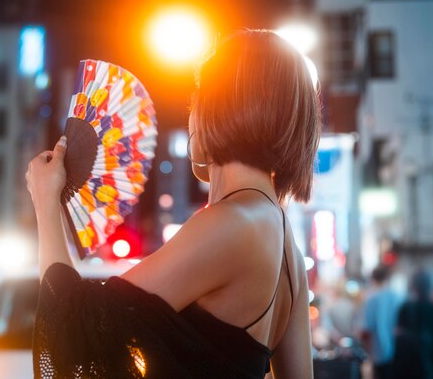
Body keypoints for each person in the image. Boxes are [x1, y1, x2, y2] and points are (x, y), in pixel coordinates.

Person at [26, 29, 320, 378]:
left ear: (224, 107)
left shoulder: (229, 224)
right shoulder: (289, 252)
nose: (192, 116)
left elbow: (74, 335)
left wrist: (46, 201)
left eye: (198, 100)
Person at [360, 265, 402, 379]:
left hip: (377, 351)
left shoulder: (370, 298)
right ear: (388, 277)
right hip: (398, 350)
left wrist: (367, 350)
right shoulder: (398, 296)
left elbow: (366, 328)